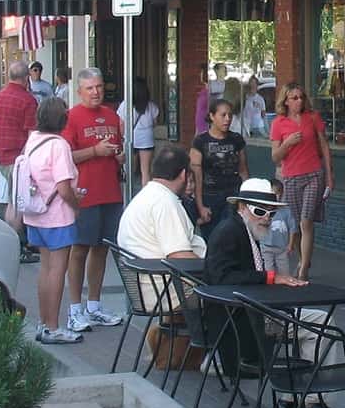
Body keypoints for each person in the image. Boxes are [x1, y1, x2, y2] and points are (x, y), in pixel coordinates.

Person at [61, 67, 127, 337]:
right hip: (84, 193)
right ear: (79, 91)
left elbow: (118, 151)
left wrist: (119, 156)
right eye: (90, 88)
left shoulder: (112, 116)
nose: (96, 92)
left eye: (99, 87)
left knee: (102, 249)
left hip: (110, 191)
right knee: (79, 250)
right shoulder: (71, 117)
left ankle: (95, 305)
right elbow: (65, 157)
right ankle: (75, 308)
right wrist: (94, 151)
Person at [18, 97, 84, 346]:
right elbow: (64, 187)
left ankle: (44, 322)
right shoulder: (59, 145)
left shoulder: (33, 140)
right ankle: (54, 327)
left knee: (45, 270)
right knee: (58, 270)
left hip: (34, 214)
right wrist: (77, 205)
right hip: (57, 215)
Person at [270, 84, 333, 283]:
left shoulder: (312, 118)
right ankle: (303, 258)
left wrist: (329, 176)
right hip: (291, 177)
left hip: (314, 173)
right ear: (286, 101)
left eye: (301, 97)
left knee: (306, 221)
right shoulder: (278, 123)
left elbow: (324, 146)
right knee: (295, 226)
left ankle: (304, 267)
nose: (298, 101)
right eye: (294, 98)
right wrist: (287, 143)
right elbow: (275, 157)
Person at [205, 178, 304, 287]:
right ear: (242, 207)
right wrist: (270, 277)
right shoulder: (228, 232)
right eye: (260, 211)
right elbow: (220, 278)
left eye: (272, 213)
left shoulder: (247, 229)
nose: (267, 218)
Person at [115, 143, 206, 263]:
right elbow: (179, 255)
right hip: (167, 277)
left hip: (152, 272)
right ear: (184, 175)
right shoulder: (165, 202)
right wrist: (211, 273)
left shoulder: (150, 194)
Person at [0, 60, 41, 260]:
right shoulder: (28, 100)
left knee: (12, 201)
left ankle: (12, 243)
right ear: (25, 78)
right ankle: (17, 245)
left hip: (3, 156)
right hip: (20, 158)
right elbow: (32, 134)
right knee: (19, 203)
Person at [190, 97, 247, 233]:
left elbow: (243, 171)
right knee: (212, 238)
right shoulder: (200, 142)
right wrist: (200, 206)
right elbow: (197, 178)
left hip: (233, 195)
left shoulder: (236, 139)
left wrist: (245, 200)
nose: (227, 119)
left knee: (232, 236)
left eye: (230, 115)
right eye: (223, 115)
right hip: (210, 196)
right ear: (212, 116)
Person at [119, 77, 160, 185]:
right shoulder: (151, 105)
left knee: (129, 170)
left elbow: (121, 124)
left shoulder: (125, 104)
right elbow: (155, 123)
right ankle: (145, 198)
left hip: (130, 138)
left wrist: (121, 138)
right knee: (145, 172)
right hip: (147, 139)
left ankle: (129, 195)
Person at [193, 62, 225, 143]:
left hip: (211, 123)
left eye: (202, 72)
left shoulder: (223, 86)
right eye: (221, 68)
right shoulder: (209, 87)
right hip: (202, 123)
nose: (224, 70)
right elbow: (200, 111)